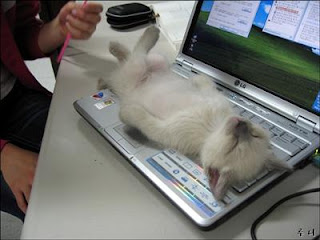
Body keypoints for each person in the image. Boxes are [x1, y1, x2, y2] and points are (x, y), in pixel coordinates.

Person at [0, 0, 103, 221]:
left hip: (13, 99)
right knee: (52, 204)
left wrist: (56, 29)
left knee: (95, 148)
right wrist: (4, 154)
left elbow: (17, 36)